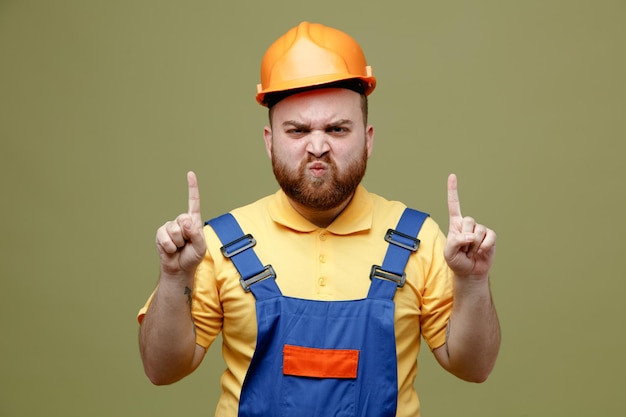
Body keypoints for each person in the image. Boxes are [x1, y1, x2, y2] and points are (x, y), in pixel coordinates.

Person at [138, 21, 500, 417]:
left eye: (337, 128)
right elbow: (161, 370)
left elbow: (474, 368)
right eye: (297, 130)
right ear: (269, 140)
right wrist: (175, 279)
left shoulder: (420, 239)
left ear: (368, 138)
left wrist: (472, 281)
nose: (318, 146)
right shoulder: (219, 242)